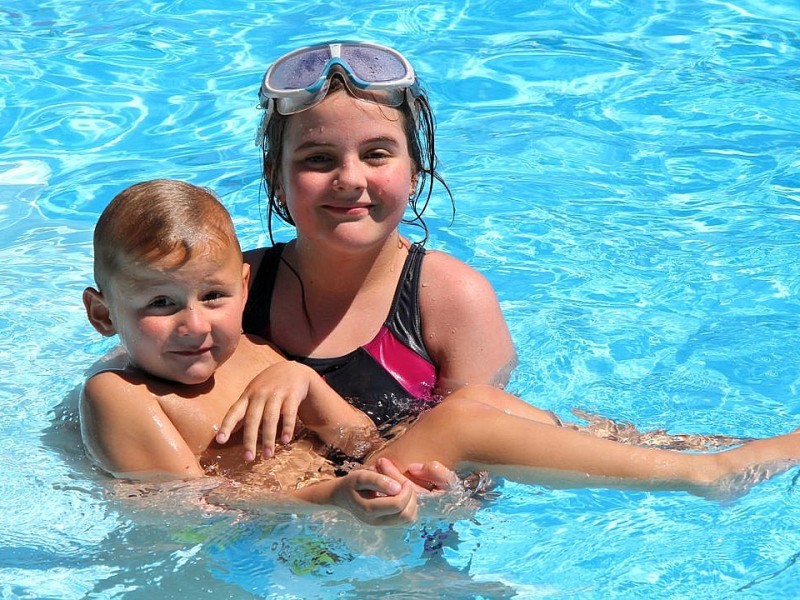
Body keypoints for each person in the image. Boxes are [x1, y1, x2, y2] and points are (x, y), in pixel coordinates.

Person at [81, 179, 800, 527]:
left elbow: (352, 436)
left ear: (243, 285)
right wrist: (340, 496)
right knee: (459, 418)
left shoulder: (252, 347)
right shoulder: (121, 397)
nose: (193, 325)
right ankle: (704, 475)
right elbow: (187, 513)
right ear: (102, 313)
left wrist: (305, 382)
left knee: (481, 402)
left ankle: (686, 448)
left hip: (359, 495)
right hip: (304, 530)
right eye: (159, 305)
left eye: (211, 297)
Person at [239, 41, 559, 436]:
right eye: (318, 158)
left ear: (413, 174)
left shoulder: (452, 301)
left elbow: (476, 469)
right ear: (276, 179)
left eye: (376, 154)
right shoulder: (231, 288)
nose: (351, 180)